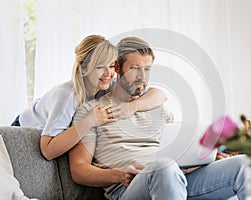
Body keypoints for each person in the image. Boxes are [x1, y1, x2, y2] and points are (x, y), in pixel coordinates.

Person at [69, 37, 246, 200]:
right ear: (117, 68)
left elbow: (180, 157)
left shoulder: (156, 108)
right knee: (164, 167)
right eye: (135, 68)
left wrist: (204, 160)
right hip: (128, 189)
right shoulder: (91, 111)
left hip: (175, 180)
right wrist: (118, 174)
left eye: (147, 69)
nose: (142, 77)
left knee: (242, 164)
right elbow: (79, 170)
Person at [11, 35, 167, 161]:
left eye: (111, 66)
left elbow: (160, 95)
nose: (108, 73)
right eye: (100, 67)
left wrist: (132, 107)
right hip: (27, 129)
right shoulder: (67, 97)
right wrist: (90, 121)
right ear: (84, 67)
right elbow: (48, 150)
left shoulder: (109, 83)